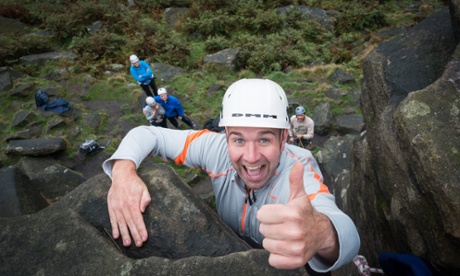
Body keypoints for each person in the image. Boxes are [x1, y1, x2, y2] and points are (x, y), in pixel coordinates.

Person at [102, 78, 360, 273]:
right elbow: (148, 134)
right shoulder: (215, 148)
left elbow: (348, 235)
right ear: (226, 136)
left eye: (264, 139)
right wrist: (123, 172)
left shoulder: (298, 168)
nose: (250, 156)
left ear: (284, 139)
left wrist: (320, 232)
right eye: (238, 139)